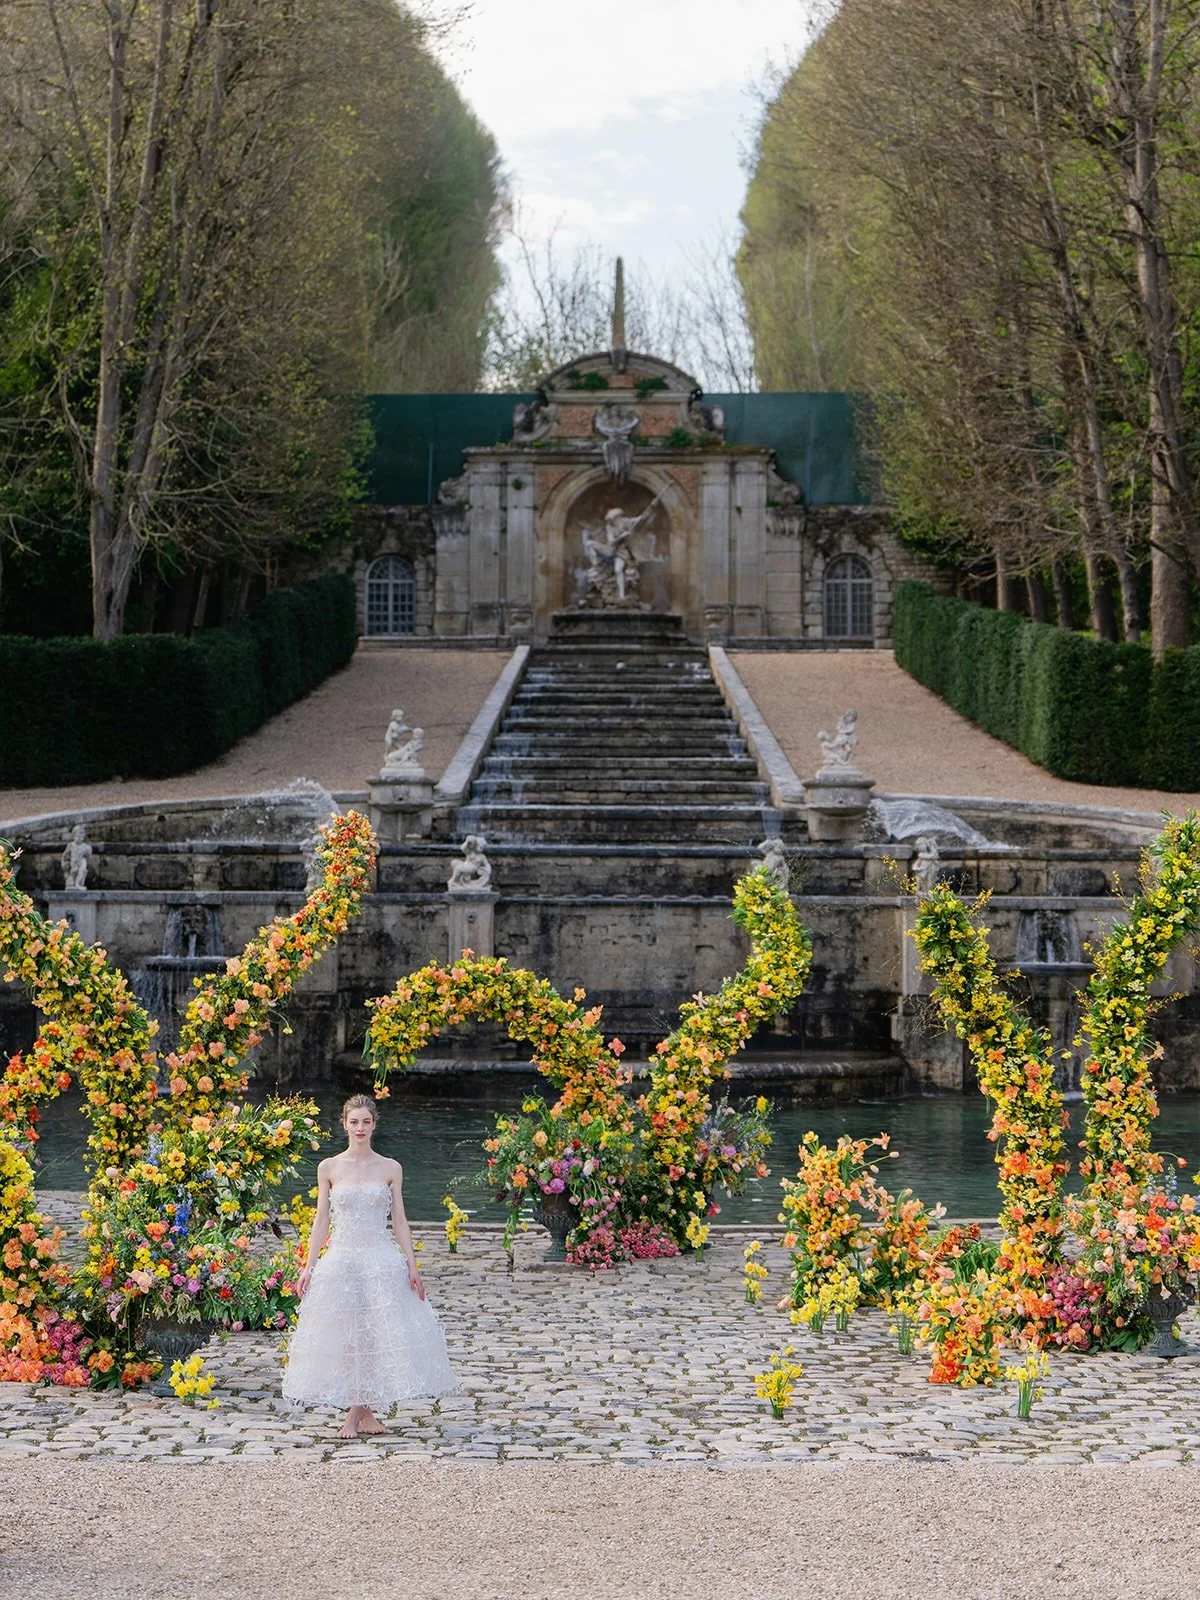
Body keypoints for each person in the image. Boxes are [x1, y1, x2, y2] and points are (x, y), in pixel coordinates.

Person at [282, 1094, 458, 1437]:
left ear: (374, 1124)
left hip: (380, 1258)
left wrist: (412, 1265)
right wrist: (309, 1265)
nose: (360, 1128)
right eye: (354, 1122)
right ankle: (359, 1411)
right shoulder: (328, 1167)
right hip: (342, 1259)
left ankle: (359, 1412)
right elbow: (321, 1221)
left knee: (376, 1334)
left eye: (366, 1121)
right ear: (344, 1125)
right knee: (349, 1336)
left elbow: (401, 1222)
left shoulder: (391, 1167)